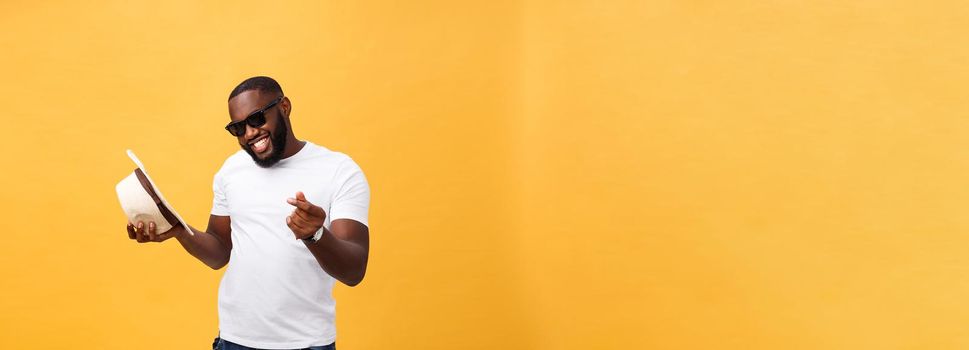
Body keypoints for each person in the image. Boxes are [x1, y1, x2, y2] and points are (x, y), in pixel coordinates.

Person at [125, 76, 370, 350]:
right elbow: (219, 252)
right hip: (235, 341)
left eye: (256, 119)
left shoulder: (339, 171)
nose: (250, 133)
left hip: (306, 343)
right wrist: (180, 230)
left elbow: (354, 271)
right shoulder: (231, 170)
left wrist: (315, 234)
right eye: (238, 128)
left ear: (285, 107)